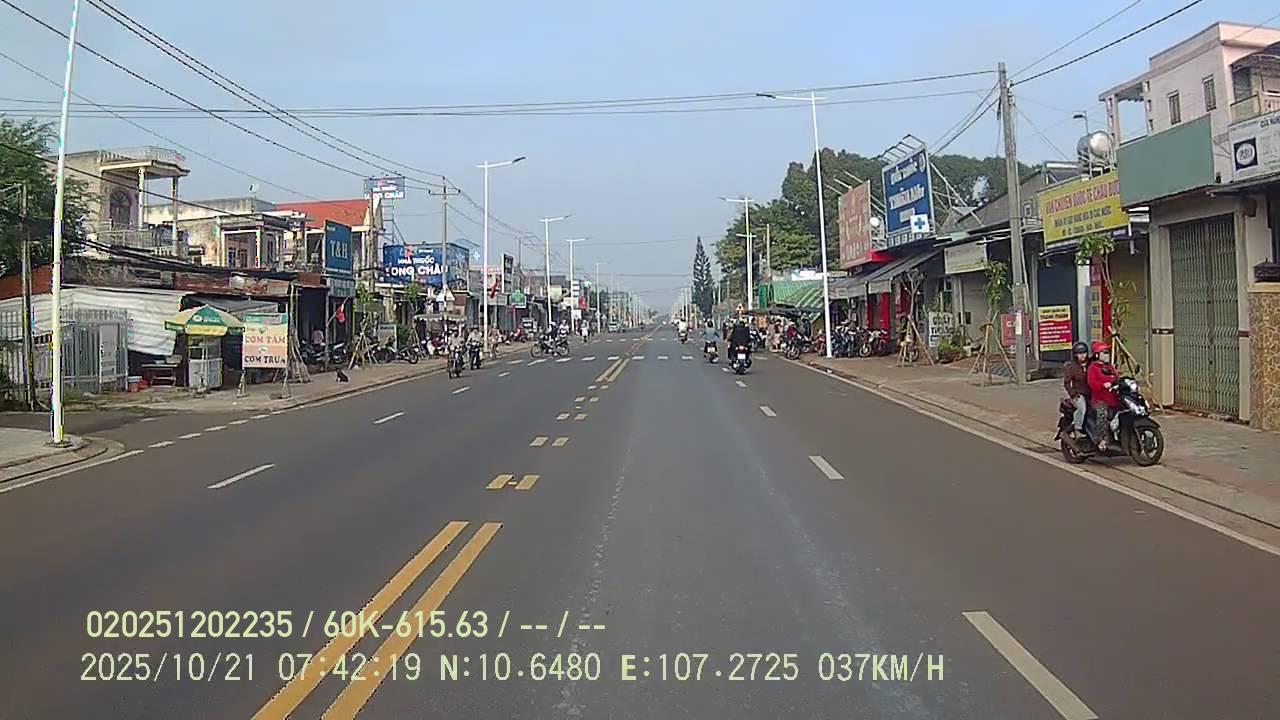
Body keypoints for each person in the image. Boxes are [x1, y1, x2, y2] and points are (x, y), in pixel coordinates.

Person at [1087, 341, 1121, 450]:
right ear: (1097, 355)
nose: (1107, 355)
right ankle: (1102, 440)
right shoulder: (1093, 368)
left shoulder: (1109, 366)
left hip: (1113, 399)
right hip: (1100, 400)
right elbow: (1092, 383)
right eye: (1104, 352)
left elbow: (1116, 377)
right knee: (1103, 415)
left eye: (1107, 352)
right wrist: (1103, 384)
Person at [1063, 341, 1090, 440]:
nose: (1082, 356)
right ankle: (1077, 429)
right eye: (1079, 353)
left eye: (1084, 353)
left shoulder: (1091, 364)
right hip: (1078, 394)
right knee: (1082, 408)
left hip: (1091, 393)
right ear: (1075, 355)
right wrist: (1073, 394)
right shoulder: (1071, 366)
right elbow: (1067, 383)